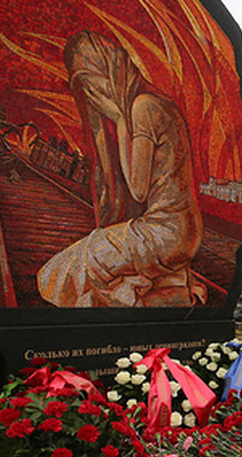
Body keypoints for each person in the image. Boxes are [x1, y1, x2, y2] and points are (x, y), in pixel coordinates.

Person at [38, 31, 204, 308]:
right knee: (87, 257)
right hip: (184, 231)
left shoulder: (143, 108)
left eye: (95, 84)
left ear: (111, 70)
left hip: (163, 232)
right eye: (87, 89)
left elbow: (138, 191)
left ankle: (141, 307)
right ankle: (168, 297)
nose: (95, 95)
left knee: (60, 271)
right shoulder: (157, 104)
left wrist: (119, 120)